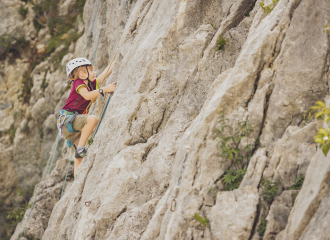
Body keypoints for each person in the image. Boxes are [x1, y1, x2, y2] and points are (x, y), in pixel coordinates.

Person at [57, 58, 116, 177]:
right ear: (83, 74)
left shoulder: (90, 84)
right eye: (91, 70)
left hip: (70, 124)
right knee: (92, 119)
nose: (94, 72)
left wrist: (116, 60)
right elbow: (87, 96)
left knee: (78, 159)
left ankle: (77, 182)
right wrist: (104, 89)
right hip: (68, 121)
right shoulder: (78, 83)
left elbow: (105, 73)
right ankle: (80, 147)